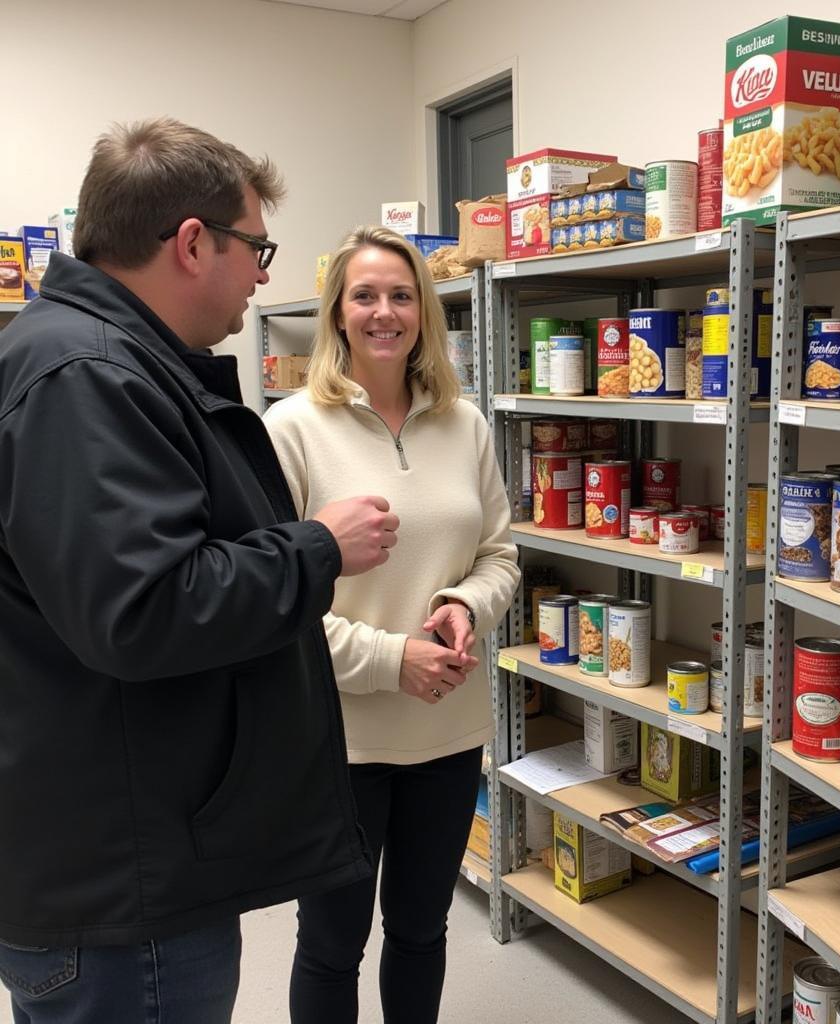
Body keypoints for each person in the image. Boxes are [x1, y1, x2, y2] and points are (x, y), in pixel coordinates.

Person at [0, 119, 401, 1024]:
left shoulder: (108, 361)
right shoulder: (86, 377)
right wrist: (318, 547)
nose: (263, 274)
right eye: (257, 247)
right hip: (120, 890)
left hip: (125, 854)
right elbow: (145, 607)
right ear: (191, 243)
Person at [263, 225, 520, 1024]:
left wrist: (465, 604)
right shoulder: (291, 429)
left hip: (446, 733)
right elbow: (275, 602)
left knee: (420, 930)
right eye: (365, 295)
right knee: (333, 944)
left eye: (402, 295)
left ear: (423, 312)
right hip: (338, 743)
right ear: (338, 312)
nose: (385, 312)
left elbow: (500, 556)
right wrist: (388, 659)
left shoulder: (465, 423)